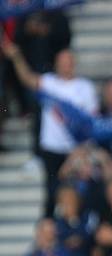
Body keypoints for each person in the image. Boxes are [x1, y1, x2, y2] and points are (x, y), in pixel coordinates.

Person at [1, 40, 98, 218]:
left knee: (79, 192)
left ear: (74, 63)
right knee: (52, 193)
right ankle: (49, 231)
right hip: (52, 149)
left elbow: (91, 123)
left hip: (76, 150)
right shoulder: (49, 82)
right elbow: (27, 78)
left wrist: (79, 152)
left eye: (69, 61)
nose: (66, 65)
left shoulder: (85, 87)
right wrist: (16, 57)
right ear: (56, 63)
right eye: (62, 61)